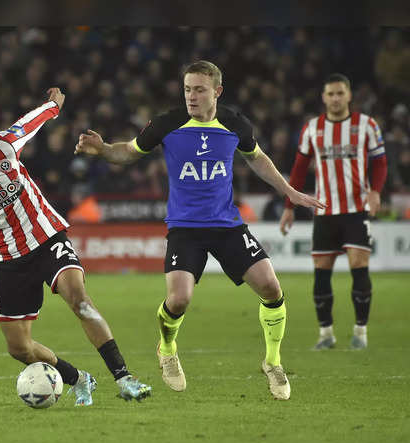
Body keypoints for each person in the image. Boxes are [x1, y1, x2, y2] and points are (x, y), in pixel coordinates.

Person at [75, 60, 324, 400]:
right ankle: (166, 348)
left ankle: (273, 362)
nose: (192, 96)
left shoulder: (235, 124)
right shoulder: (168, 123)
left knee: (270, 287)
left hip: (227, 225)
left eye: (200, 90)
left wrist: (290, 191)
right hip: (185, 228)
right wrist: (103, 149)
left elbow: (257, 158)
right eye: (188, 89)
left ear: (217, 91)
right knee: (179, 299)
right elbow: (130, 152)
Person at [0, 87, 151, 406]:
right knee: (19, 348)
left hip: (48, 238)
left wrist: (53, 105)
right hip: (10, 259)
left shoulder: (3, 146)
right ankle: (79, 379)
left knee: (79, 299)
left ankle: (125, 378)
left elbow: (31, 121)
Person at [279, 73, 388, 350]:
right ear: (323, 97)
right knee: (321, 272)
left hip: (356, 209)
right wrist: (289, 207)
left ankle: (360, 332)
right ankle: (326, 334)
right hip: (325, 211)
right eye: (331, 94)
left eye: (340, 93)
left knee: (359, 268)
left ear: (349, 96)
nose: (336, 99)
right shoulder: (312, 128)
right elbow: (299, 169)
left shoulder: (366, 125)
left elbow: (380, 163)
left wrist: (375, 191)